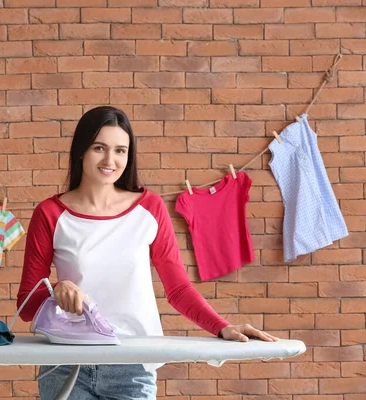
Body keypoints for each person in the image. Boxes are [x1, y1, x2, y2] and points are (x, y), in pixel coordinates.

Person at [16, 106, 279, 400]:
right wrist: (57, 291)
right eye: (99, 148)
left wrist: (222, 327)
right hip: (65, 365)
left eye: (120, 150)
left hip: (132, 365)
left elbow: (178, 289)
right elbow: (26, 307)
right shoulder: (50, 214)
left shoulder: (149, 209)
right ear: (81, 150)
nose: (109, 160)